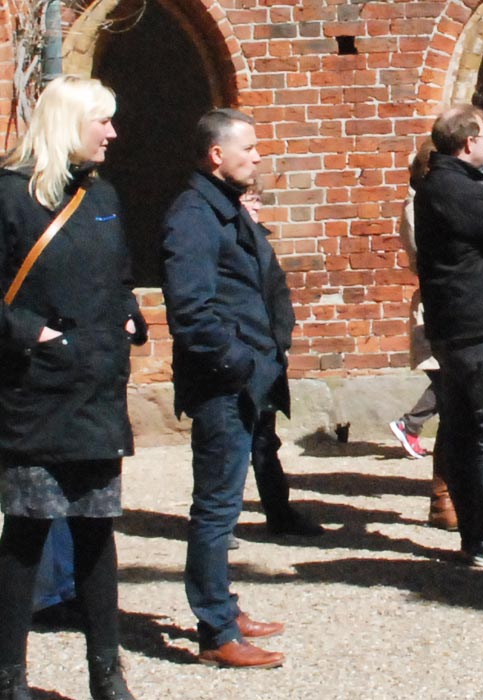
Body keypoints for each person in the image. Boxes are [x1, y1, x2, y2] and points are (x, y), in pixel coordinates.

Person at [0, 74, 144, 699]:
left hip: (97, 390)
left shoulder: (103, 193)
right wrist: (33, 334)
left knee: (96, 531)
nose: (113, 133)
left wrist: (129, 308)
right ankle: (9, 679)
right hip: (38, 391)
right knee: (26, 534)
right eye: (102, 121)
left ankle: (106, 673)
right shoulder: (8, 197)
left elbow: (113, 273)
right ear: (69, 124)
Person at [161, 108, 288, 669]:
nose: (258, 157)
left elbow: (256, 283)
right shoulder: (192, 215)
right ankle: (215, 629)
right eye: (249, 149)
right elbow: (190, 310)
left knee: (226, 507)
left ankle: (225, 608)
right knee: (215, 509)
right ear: (218, 155)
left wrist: (270, 350)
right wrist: (239, 362)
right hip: (222, 384)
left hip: (247, 376)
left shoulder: (224, 208)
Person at [413, 105, 483, 565]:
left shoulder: (438, 183)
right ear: (467, 142)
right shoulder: (456, 187)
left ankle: (477, 537)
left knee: (462, 434)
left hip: (457, 326)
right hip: (480, 326)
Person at [237, 186, 323, 539]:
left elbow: (279, 295)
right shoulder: (226, 242)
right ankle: (218, 523)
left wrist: (281, 341)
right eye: (248, 200)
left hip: (267, 355)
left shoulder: (261, 244)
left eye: (257, 200)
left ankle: (279, 512)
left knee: (264, 441)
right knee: (230, 445)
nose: (255, 207)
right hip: (238, 355)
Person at [387, 142, 458, 531]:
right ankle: (442, 497)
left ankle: (475, 484)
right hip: (438, 307)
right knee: (448, 394)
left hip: (456, 306)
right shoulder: (418, 206)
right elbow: (428, 257)